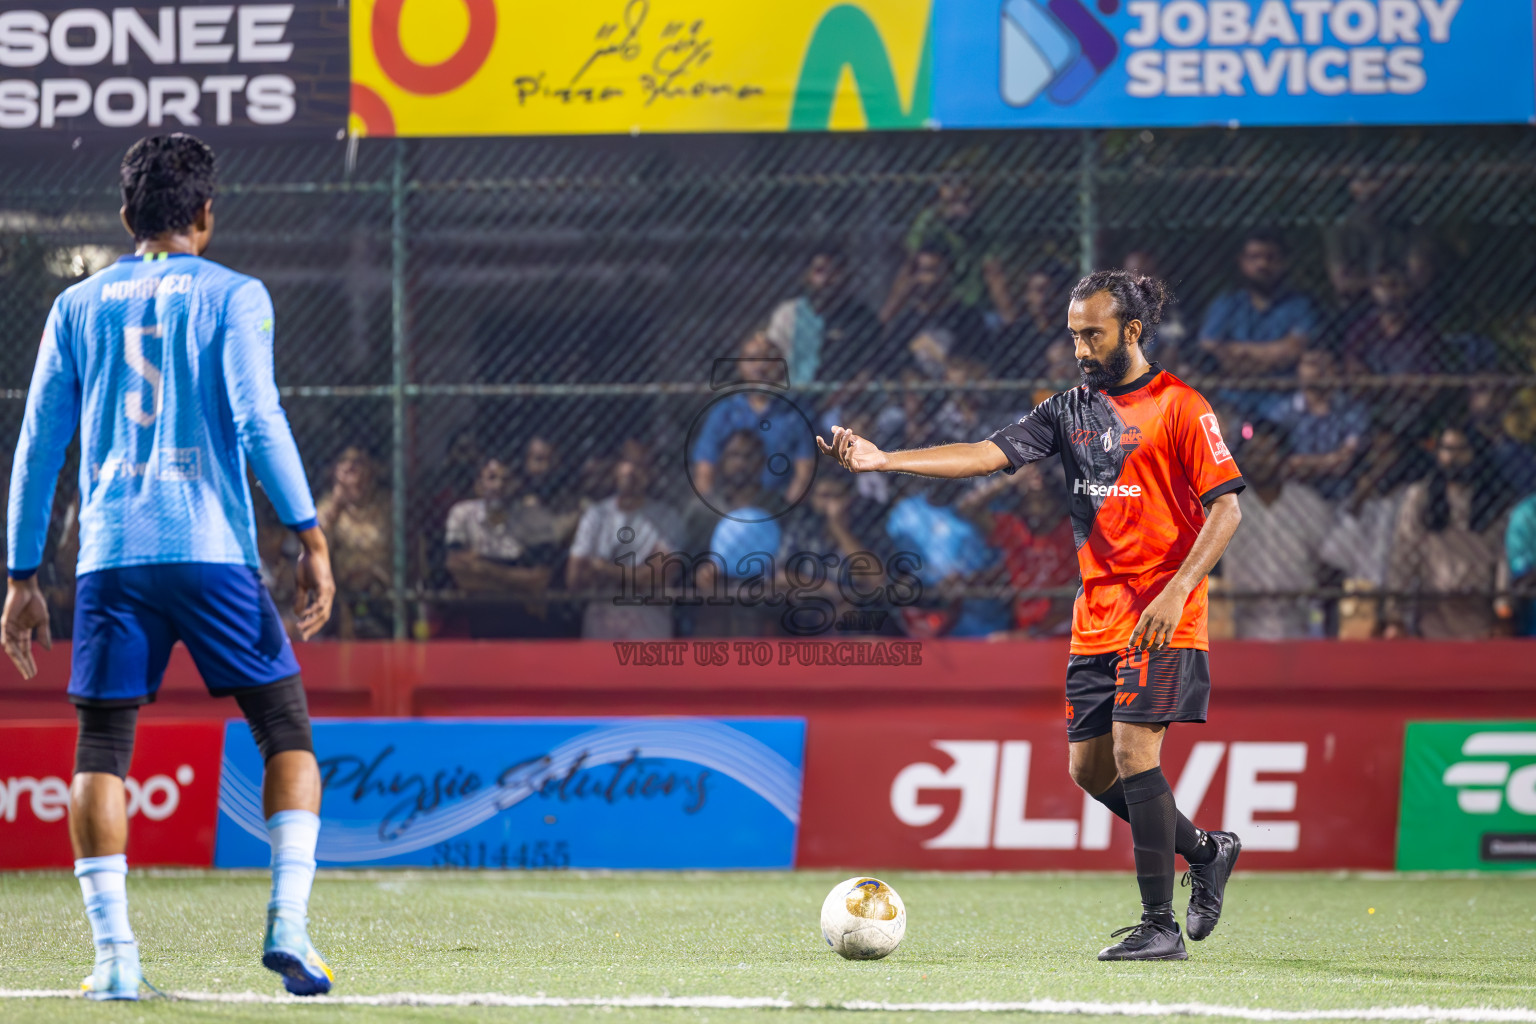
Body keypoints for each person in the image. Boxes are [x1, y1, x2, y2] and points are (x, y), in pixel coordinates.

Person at [818, 269, 1245, 961]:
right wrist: (885, 459)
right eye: (1074, 333)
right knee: (1090, 772)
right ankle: (1205, 849)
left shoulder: (1182, 407)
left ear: (1132, 331)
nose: (1079, 346)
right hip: (1096, 619)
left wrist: (1177, 592)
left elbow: (1227, 508)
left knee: (1138, 753)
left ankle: (1158, 926)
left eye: (1093, 333)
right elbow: (985, 455)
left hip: (1164, 615)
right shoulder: (1066, 411)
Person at [1, 134, 336, 999]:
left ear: (125, 218)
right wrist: (308, 532)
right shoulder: (236, 295)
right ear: (205, 215)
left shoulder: (77, 306)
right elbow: (260, 419)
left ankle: (116, 960)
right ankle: (289, 924)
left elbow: (39, 447)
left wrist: (21, 575)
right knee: (286, 732)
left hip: (113, 556)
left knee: (103, 749)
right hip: (214, 550)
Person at [1382, 428, 1511, 639]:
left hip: (1478, 609)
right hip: (1434, 609)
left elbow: (1502, 558)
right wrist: (1394, 614)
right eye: (1447, 450)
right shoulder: (1421, 496)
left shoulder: (1494, 501)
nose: (1453, 458)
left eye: (1461, 450)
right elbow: (1404, 554)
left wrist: (1503, 612)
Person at [1220, 421, 1336, 639]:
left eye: (1268, 453)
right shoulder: (1226, 505)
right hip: (1241, 625)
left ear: (1283, 458)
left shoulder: (1307, 503)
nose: (1261, 461)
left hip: (1300, 625)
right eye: (1254, 453)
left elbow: (1331, 560)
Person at [567, 444, 683, 639]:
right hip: (601, 627)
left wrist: (604, 569)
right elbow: (574, 578)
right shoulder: (596, 515)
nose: (631, 471)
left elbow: (655, 577)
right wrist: (634, 575)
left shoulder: (667, 518)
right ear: (616, 468)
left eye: (640, 465)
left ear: (651, 473)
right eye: (627, 463)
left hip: (648, 628)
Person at [1197, 230, 1317, 415]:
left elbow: (1294, 350)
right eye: (1254, 257)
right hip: (1230, 399)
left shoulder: (1299, 305)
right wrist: (1273, 353)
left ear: (1283, 262)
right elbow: (1210, 349)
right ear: (1242, 262)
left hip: (1282, 398)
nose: (1262, 264)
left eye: (1270, 257)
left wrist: (1239, 352)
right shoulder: (1227, 303)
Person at [689, 330, 814, 507]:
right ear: (740, 365)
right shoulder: (725, 412)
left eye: (768, 359)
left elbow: (804, 474)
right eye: (752, 359)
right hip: (728, 505)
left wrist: (783, 512)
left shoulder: (795, 414)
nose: (760, 366)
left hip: (778, 505)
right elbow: (704, 471)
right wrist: (715, 511)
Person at [443, 458, 565, 638]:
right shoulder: (463, 514)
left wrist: (483, 569)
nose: (499, 486)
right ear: (478, 485)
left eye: (506, 480)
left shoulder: (532, 516)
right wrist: (522, 586)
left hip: (524, 619)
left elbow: (541, 579)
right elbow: (459, 572)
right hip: (480, 617)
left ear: (516, 484)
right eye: (492, 478)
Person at [766, 247, 881, 387]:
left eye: (834, 272)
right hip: (792, 394)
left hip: (842, 400)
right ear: (806, 275)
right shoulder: (787, 313)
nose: (826, 279)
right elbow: (771, 359)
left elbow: (866, 371)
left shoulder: (861, 317)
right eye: (819, 271)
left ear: (845, 277)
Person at [1265, 349, 1369, 502]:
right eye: (1311, 363)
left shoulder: (1351, 409)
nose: (1318, 370)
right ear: (1299, 369)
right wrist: (1327, 461)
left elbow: (1343, 461)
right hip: (1294, 496)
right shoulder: (1283, 411)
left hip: (1342, 495)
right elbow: (1280, 464)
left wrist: (1302, 463)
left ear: (1335, 369)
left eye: (1324, 363)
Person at [315, 446, 392, 639]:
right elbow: (312, 551)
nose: (350, 468)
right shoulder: (325, 507)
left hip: (382, 591)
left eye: (357, 462)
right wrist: (335, 509)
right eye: (344, 462)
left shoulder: (387, 505)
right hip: (341, 593)